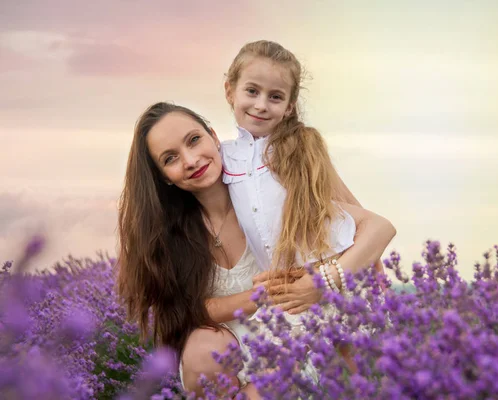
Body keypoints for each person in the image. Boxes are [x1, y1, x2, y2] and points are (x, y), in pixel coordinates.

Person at [116, 102, 395, 398]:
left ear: (213, 135)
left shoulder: (270, 181)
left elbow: (372, 228)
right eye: (170, 158)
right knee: (200, 353)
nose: (190, 160)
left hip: (300, 327)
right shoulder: (169, 232)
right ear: (163, 176)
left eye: (194, 140)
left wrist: (327, 281)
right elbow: (188, 311)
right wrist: (264, 295)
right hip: (240, 336)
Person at [221, 39, 389, 314]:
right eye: (252, 91)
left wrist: (373, 262)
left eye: (275, 96)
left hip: (335, 276)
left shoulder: (300, 147)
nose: (261, 105)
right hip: (288, 293)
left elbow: (349, 204)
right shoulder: (223, 157)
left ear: (289, 106)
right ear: (230, 91)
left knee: (351, 351)